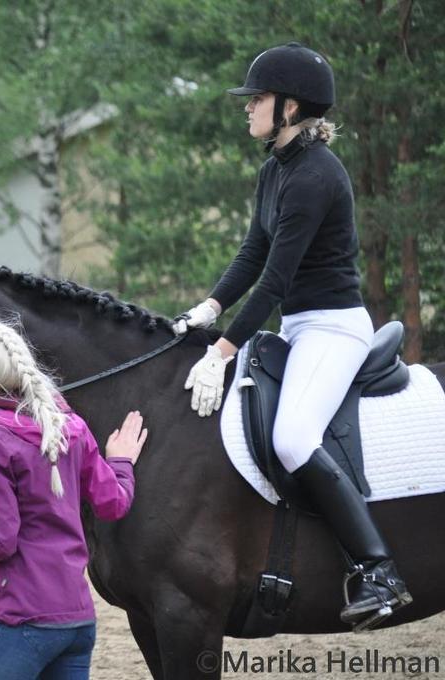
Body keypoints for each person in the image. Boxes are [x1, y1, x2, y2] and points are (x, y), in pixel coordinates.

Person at [175, 43, 412, 627]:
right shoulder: (275, 168)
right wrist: (210, 306)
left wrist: (221, 351)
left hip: (334, 328)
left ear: (289, 107)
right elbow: (253, 252)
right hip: (299, 328)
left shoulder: (316, 175)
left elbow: (277, 280)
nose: (248, 108)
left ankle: (378, 570)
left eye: (256, 98)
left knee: (292, 437)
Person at [0, 318, 145, 680]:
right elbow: (115, 503)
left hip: (26, 620)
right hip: (78, 619)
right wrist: (121, 463)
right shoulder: (72, 428)